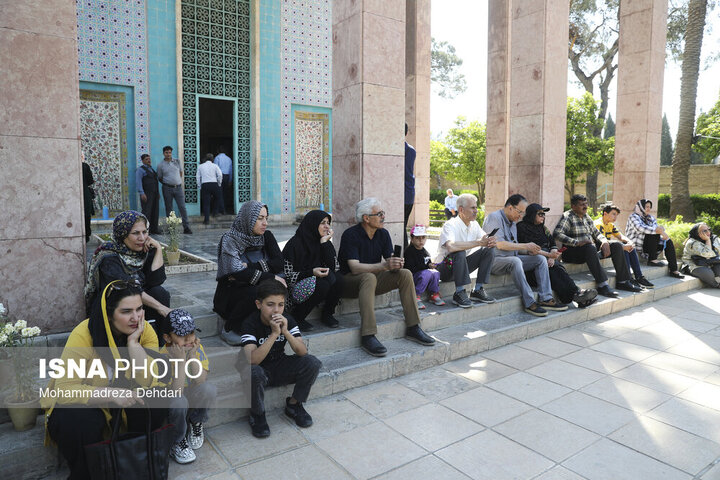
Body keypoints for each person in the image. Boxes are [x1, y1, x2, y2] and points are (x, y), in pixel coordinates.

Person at [43, 282, 168, 480]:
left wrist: (133, 344)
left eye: (139, 309)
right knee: (79, 420)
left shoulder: (144, 331)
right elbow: (65, 390)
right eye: (126, 311)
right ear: (108, 314)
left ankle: (136, 462)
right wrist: (112, 394)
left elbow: (148, 381)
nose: (136, 318)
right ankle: (87, 473)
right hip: (89, 401)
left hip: (126, 400)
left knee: (157, 399)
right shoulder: (84, 334)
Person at [338, 197, 435, 357]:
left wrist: (396, 263)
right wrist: (384, 266)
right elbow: (354, 268)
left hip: (373, 281)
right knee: (368, 277)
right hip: (349, 282)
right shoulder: (351, 235)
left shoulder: (383, 234)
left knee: (405, 274)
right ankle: (368, 335)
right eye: (379, 214)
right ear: (366, 218)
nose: (383, 217)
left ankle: (413, 326)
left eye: (383, 213)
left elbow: (389, 259)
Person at [240, 279, 322, 438]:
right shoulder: (250, 324)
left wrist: (285, 332)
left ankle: (294, 405)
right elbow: (252, 360)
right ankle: (257, 415)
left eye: (281, 305)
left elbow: (302, 352)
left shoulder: (288, 320)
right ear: (259, 304)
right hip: (259, 371)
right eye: (270, 304)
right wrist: (274, 334)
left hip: (280, 365)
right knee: (253, 372)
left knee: (312, 363)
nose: (276, 310)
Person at [84, 211, 171, 336]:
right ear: (122, 235)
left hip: (138, 304)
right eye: (135, 233)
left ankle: (160, 342)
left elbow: (156, 281)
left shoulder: (142, 251)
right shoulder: (108, 256)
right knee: (151, 302)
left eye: (144, 232)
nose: (142, 238)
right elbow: (128, 289)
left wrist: (157, 249)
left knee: (159, 292)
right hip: (116, 307)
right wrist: (161, 308)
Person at [483, 195, 568, 317]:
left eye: (523, 213)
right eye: (520, 212)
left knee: (539, 259)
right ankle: (529, 302)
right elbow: (500, 244)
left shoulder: (513, 223)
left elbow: (516, 248)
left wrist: (548, 254)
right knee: (515, 261)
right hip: (493, 261)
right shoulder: (494, 218)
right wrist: (525, 246)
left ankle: (546, 298)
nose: (521, 216)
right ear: (510, 208)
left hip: (511, 259)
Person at [214, 201, 285, 346]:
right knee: (257, 291)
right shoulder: (230, 239)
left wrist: (251, 267)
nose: (265, 223)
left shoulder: (266, 236)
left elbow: (279, 263)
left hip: (257, 285)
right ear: (248, 218)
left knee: (278, 287)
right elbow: (236, 272)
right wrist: (270, 275)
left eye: (266, 218)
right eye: (260, 218)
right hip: (232, 293)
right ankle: (229, 329)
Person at [554, 194, 642, 298]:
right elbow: (557, 234)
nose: (585, 206)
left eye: (586, 203)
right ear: (573, 206)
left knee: (617, 245)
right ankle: (602, 285)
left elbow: (597, 234)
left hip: (588, 250)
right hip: (573, 252)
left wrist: (604, 241)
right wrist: (576, 242)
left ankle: (623, 281)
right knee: (590, 247)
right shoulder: (568, 216)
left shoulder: (586, 217)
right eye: (582, 204)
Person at [517, 203, 598, 308]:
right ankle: (576, 295)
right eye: (540, 214)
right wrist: (548, 255)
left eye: (544, 214)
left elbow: (553, 244)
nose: (543, 216)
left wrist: (551, 256)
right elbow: (528, 250)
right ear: (532, 215)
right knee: (553, 272)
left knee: (558, 269)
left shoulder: (543, 228)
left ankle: (578, 296)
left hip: (548, 261)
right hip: (532, 266)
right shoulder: (521, 227)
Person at [162, 309, 217, 465]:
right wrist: (180, 361)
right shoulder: (162, 355)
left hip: (190, 395)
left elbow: (200, 381)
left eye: (191, 333)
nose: (188, 339)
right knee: (179, 401)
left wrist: (192, 356)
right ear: (167, 337)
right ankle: (177, 441)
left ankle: (196, 422)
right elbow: (176, 393)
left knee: (209, 389)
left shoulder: (196, 349)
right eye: (181, 335)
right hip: (172, 400)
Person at [282, 210, 342, 331]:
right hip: (295, 286)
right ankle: (297, 317)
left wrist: (325, 243)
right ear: (312, 224)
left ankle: (327, 314)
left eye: (328, 223)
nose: (327, 226)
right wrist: (311, 273)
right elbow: (286, 275)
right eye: (322, 223)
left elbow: (335, 267)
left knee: (339, 278)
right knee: (322, 285)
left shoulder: (323, 241)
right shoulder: (295, 244)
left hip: (316, 281)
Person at [435, 193, 497, 309]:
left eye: (476, 207)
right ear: (461, 210)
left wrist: (489, 241)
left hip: (461, 267)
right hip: (445, 269)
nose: (476, 211)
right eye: (472, 208)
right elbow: (451, 247)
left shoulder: (474, 224)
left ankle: (478, 290)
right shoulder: (450, 225)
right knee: (459, 251)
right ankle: (459, 292)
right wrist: (479, 242)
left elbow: (483, 240)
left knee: (488, 251)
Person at [595, 204, 654, 289]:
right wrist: (623, 247)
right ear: (605, 214)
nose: (615, 217)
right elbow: (602, 243)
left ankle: (639, 277)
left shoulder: (610, 225)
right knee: (623, 249)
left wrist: (629, 242)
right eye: (613, 214)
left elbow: (620, 236)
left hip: (609, 247)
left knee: (630, 248)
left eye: (616, 215)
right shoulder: (599, 224)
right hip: (599, 250)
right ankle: (628, 278)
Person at [626, 199, 684, 278]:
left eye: (650, 207)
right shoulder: (633, 217)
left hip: (649, 244)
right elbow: (640, 228)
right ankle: (652, 259)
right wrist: (660, 232)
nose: (648, 209)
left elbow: (656, 228)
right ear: (640, 207)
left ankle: (673, 269)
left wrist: (663, 234)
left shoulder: (650, 218)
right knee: (654, 233)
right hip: (637, 244)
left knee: (668, 241)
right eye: (646, 206)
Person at [404, 224, 445, 310]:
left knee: (435, 273)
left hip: (423, 275)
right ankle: (416, 295)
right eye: (417, 238)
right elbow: (411, 267)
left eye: (423, 237)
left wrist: (431, 265)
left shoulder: (425, 252)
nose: (421, 240)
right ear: (412, 239)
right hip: (413, 277)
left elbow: (428, 263)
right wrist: (427, 266)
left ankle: (434, 293)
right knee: (427, 273)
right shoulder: (409, 251)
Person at [157, 145, 192, 234]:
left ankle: (186, 227)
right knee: (169, 208)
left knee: (182, 207)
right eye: (166, 153)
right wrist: (168, 183)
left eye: (169, 152)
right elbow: (160, 177)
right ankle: (172, 228)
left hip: (178, 188)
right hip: (167, 188)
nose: (168, 154)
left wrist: (176, 181)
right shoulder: (161, 165)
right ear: (163, 153)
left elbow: (180, 173)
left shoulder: (177, 161)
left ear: (171, 153)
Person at [682, 223, 720, 287]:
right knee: (708, 273)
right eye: (704, 231)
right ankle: (716, 285)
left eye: (709, 229)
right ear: (697, 233)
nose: (708, 232)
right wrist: (707, 240)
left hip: (710, 262)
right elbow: (707, 254)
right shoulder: (692, 242)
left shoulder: (713, 238)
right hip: (694, 264)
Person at [135, 153, 160, 234]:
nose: (149, 160)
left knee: (155, 211)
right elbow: (138, 182)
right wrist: (142, 193)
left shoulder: (152, 169)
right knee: (147, 212)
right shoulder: (140, 170)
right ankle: (145, 229)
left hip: (155, 193)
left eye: (149, 159)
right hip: (146, 194)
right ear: (142, 161)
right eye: (146, 159)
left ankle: (154, 229)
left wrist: (158, 193)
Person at [197, 153, 223, 225]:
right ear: (212, 159)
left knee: (206, 202)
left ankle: (206, 220)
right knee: (218, 198)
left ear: (205, 159)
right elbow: (220, 175)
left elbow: (198, 177)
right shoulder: (215, 166)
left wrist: (199, 186)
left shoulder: (200, 166)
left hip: (205, 184)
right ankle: (215, 212)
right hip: (214, 184)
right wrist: (219, 183)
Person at [404, 123, 416, 247]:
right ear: (407, 133)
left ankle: (404, 256)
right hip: (409, 194)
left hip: (401, 194)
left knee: (400, 227)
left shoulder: (397, 149)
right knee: (403, 226)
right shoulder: (411, 150)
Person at [81, 151, 96, 242]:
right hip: (84, 194)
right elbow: (90, 181)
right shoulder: (84, 166)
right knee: (86, 214)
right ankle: (86, 235)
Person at [214, 146, 233, 214]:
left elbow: (216, 169)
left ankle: (222, 209)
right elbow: (231, 170)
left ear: (218, 151)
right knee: (225, 193)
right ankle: (225, 208)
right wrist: (230, 180)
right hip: (227, 177)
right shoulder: (229, 159)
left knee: (219, 193)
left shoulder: (217, 158)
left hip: (220, 176)